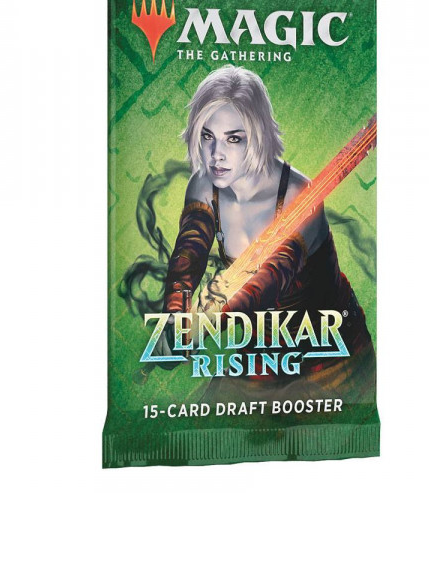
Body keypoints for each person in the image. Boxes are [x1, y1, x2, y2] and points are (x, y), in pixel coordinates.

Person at [157, 65, 375, 403]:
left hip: (332, 359)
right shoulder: (204, 185)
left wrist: (205, 322)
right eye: (207, 136)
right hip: (261, 352)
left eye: (234, 138)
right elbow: (188, 255)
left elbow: (268, 279)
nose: (216, 154)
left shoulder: (298, 195)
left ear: (258, 135)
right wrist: (175, 314)